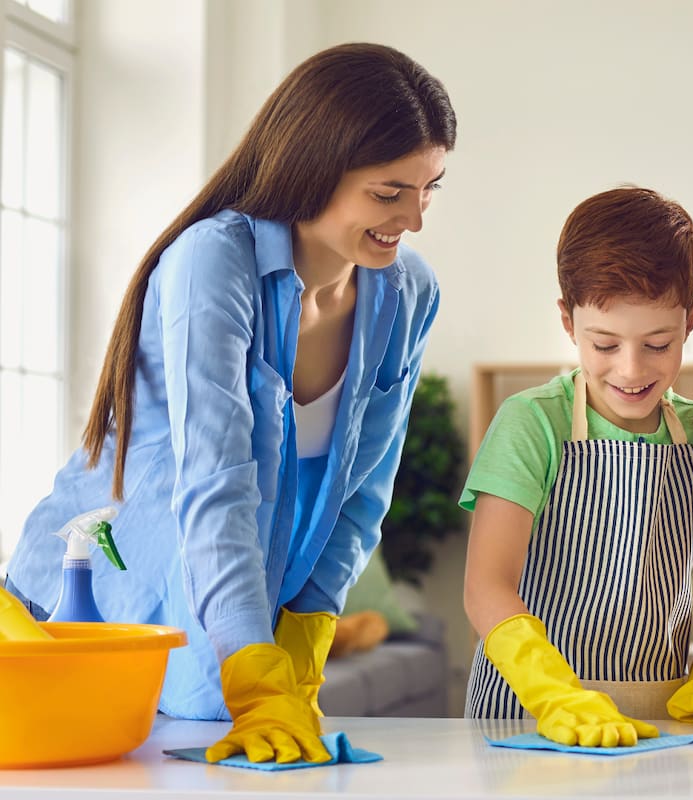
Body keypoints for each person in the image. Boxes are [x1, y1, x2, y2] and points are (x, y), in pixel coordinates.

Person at [3, 43, 456, 763]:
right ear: (317, 164)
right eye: (388, 192)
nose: (415, 218)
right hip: (89, 622)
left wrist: (306, 629)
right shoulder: (213, 261)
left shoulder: (406, 292)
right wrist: (249, 664)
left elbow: (363, 491)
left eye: (429, 188)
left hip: (221, 626)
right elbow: (217, 480)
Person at [461, 186, 693, 747]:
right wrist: (553, 692)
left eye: (657, 343)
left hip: (664, 718)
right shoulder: (533, 423)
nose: (631, 369)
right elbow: (486, 586)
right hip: (527, 716)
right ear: (567, 321)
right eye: (604, 344)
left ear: (691, 319)